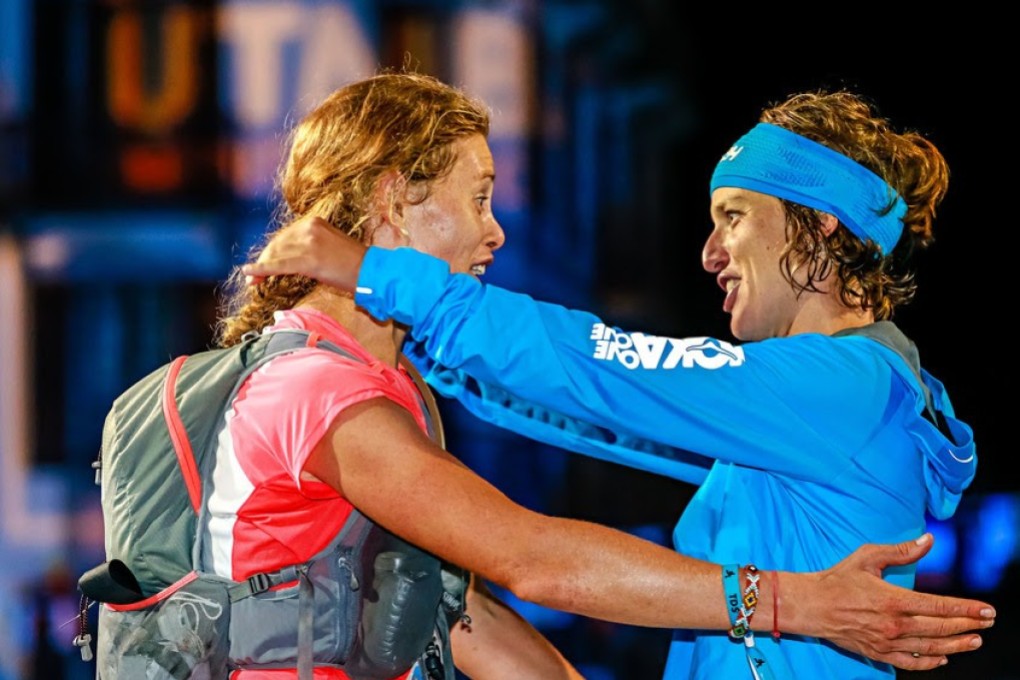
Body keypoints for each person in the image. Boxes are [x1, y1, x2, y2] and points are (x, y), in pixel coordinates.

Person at [243, 83, 989, 679]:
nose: (709, 253)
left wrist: (385, 280)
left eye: (732, 216)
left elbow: (602, 369)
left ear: (820, 223)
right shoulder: (812, 411)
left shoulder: (843, 389)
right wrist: (426, 351)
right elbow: (602, 422)